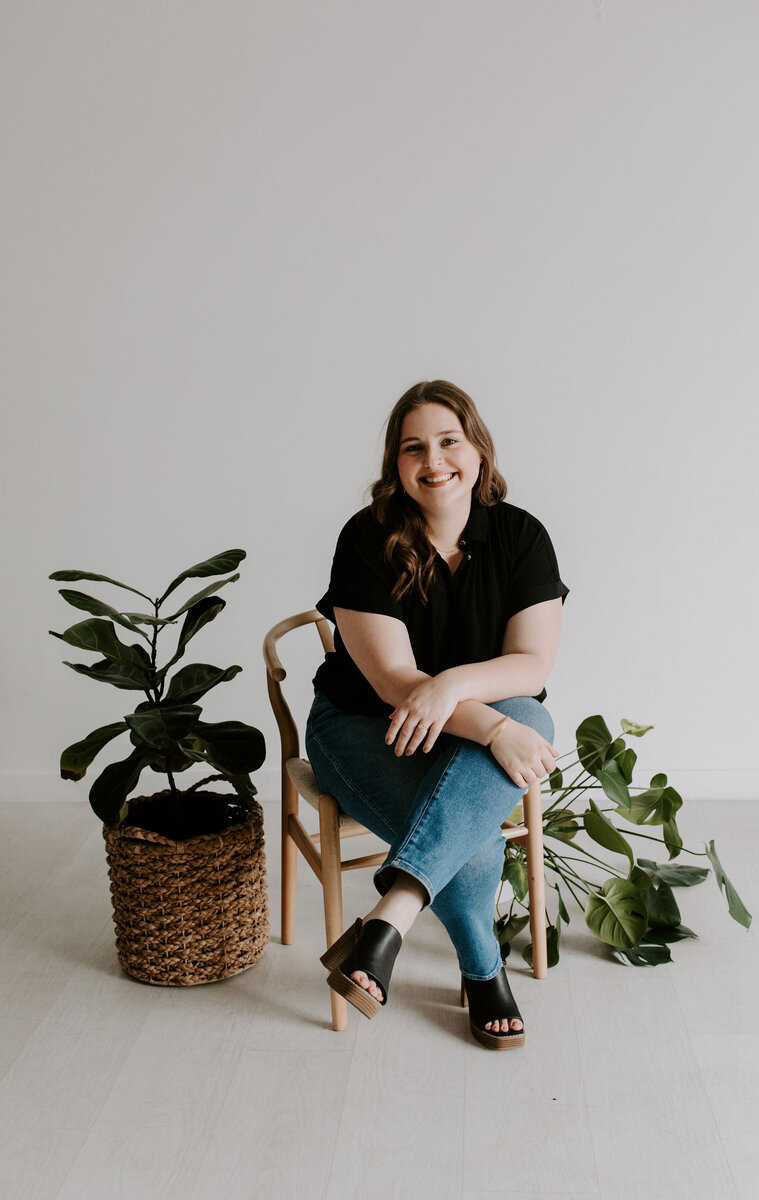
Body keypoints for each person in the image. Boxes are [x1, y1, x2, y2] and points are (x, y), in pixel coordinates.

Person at [305, 379, 569, 1049]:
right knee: (481, 813)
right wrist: (492, 724)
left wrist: (450, 686)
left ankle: (388, 919)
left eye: (449, 441)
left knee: (529, 718)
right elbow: (395, 683)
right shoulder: (367, 539)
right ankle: (484, 972)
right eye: (413, 448)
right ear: (396, 466)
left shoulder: (521, 536)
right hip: (363, 728)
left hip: (452, 730)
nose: (434, 461)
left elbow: (531, 665)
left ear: (478, 450)